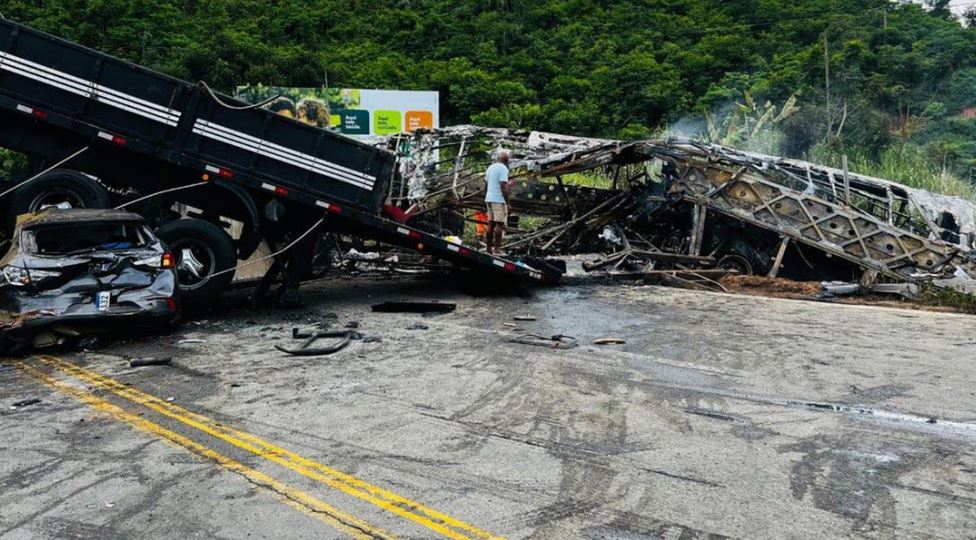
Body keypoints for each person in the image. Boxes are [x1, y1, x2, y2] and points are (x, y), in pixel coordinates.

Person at [484, 150, 511, 255]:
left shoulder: (490, 168)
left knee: (491, 224)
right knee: (499, 224)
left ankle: (488, 249)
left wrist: (487, 196)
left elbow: (485, 185)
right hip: (498, 199)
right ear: (506, 161)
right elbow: (503, 185)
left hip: (489, 198)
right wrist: (508, 202)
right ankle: (497, 249)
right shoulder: (503, 169)